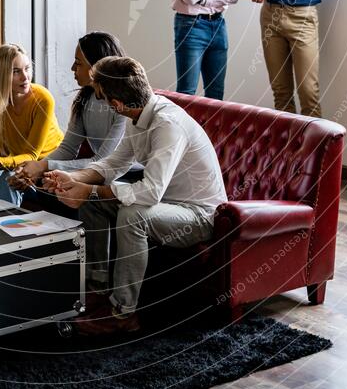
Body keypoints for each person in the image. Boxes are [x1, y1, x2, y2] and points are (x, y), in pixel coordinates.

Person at [45, 56, 227, 336]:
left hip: (197, 215)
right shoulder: (138, 114)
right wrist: (75, 179)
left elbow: (151, 191)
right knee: (96, 204)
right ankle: (98, 290)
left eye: (103, 97)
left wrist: (90, 189)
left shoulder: (167, 124)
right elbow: (114, 164)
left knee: (132, 215)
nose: (103, 102)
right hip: (165, 204)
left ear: (116, 104)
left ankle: (123, 313)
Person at [9, 32, 129, 199]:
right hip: (96, 170)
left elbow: (104, 162)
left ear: (97, 66)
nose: (73, 68)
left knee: (49, 183)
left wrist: (44, 166)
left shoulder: (125, 105)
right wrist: (36, 168)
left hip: (125, 175)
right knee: (28, 182)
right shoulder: (85, 98)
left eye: (78, 63)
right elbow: (68, 148)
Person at [0, 43, 63, 205]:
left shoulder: (43, 99)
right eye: (16, 71)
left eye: (27, 68)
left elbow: (31, 155)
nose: (25, 77)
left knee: (8, 179)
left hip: (44, 163)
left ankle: (7, 226)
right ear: (1, 75)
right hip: (15, 159)